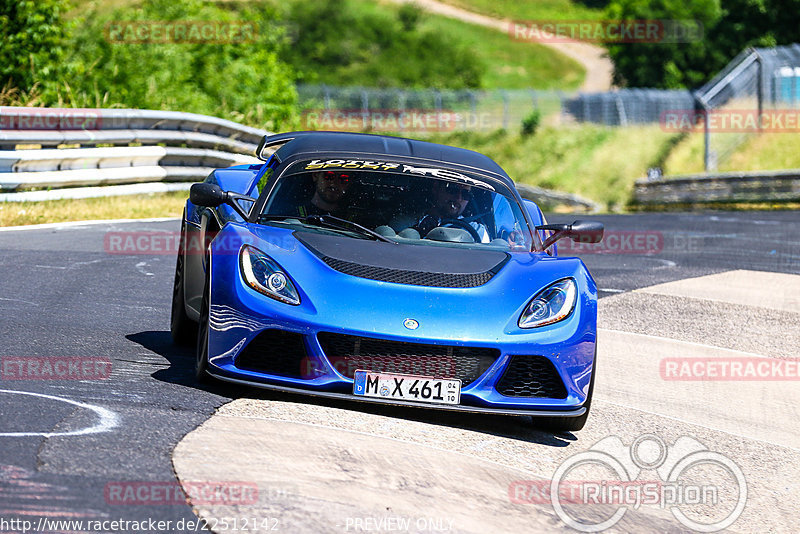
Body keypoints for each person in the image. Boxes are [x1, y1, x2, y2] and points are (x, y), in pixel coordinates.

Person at [411, 181, 489, 242]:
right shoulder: (407, 221)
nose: (459, 198)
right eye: (452, 189)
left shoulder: (477, 231)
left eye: (466, 194)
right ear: (436, 188)